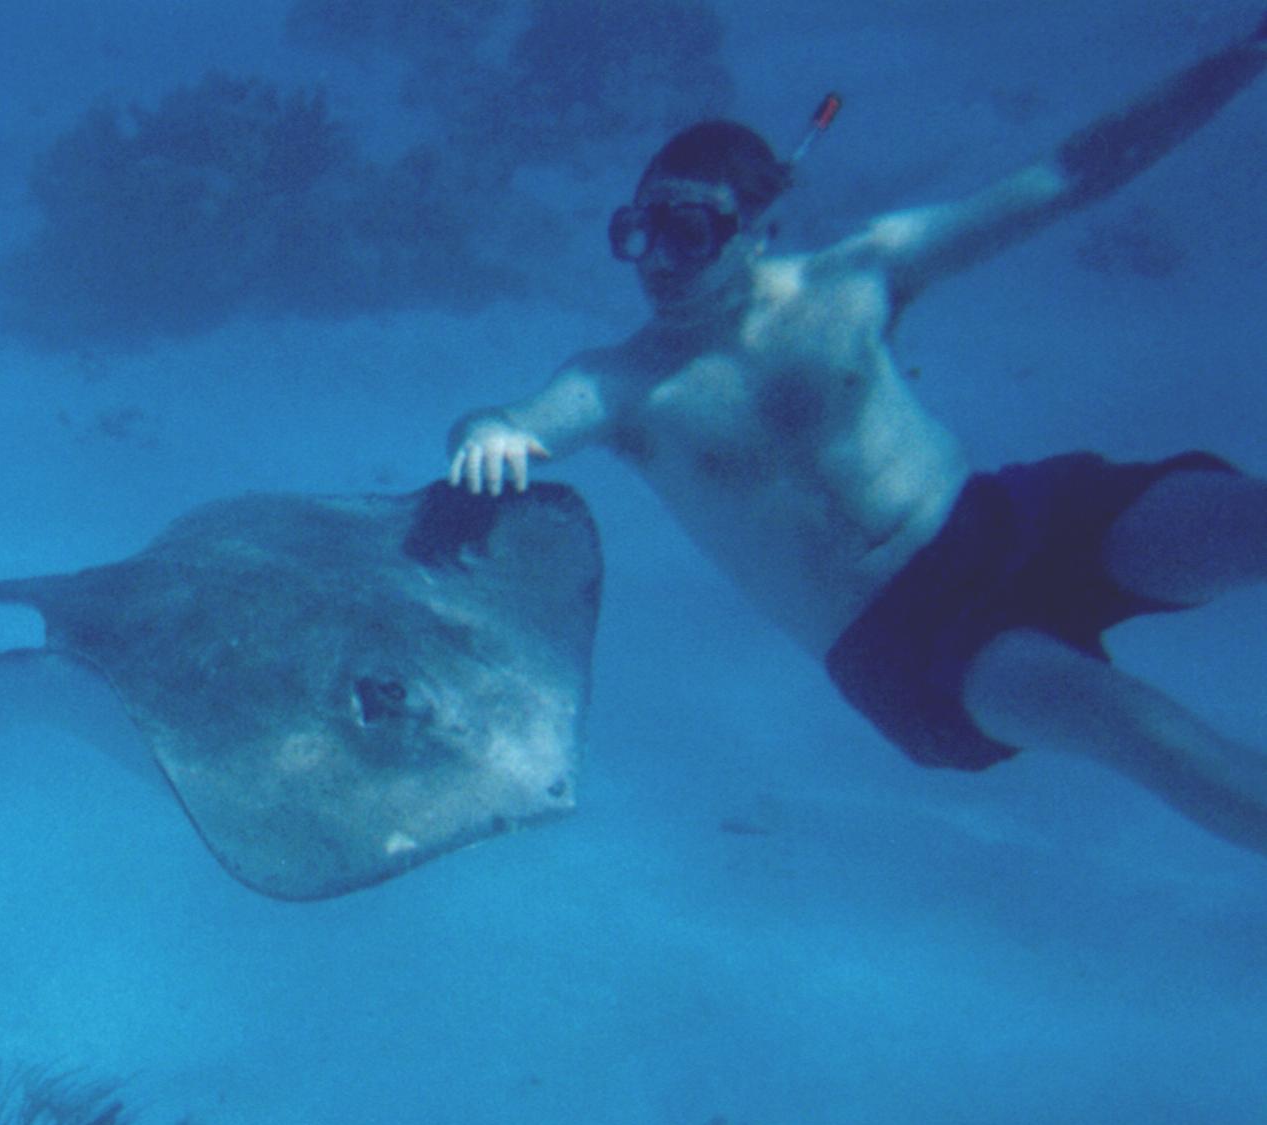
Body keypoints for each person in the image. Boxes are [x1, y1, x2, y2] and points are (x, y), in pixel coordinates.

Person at [447, 15, 1267, 854]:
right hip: (904, 641)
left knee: (1246, 520)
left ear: (756, 228)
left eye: (686, 231)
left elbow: (1067, 174)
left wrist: (1239, 58)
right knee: (1124, 719)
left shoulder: (855, 274)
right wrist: (490, 436)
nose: (657, 260)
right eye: (637, 231)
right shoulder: (621, 384)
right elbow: (510, 422)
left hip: (1007, 515)